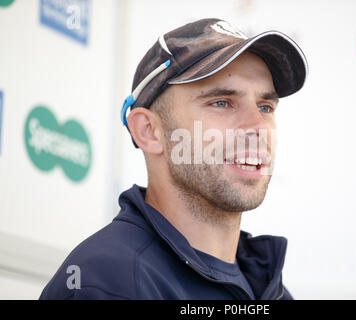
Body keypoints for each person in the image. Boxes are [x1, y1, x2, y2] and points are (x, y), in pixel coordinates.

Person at [39, 18, 307, 300]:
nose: (258, 127)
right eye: (221, 102)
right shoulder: (109, 282)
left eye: (265, 106)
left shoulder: (267, 288)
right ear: (149, 131)